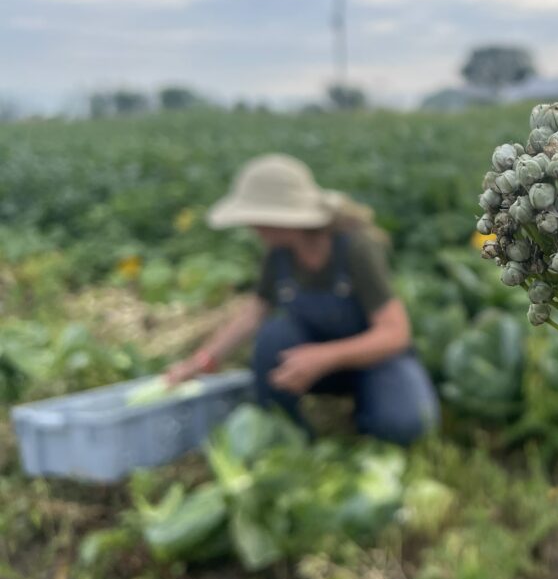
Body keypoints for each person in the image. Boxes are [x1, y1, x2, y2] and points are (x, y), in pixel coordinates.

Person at [166, 153, 439, 445]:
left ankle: (370, 411)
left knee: (407, 423)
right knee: (272, 338)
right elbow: (253, 314)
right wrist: (203, 361)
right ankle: (288, 436)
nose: (250, 225)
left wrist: (326, 356)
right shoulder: (279, 254)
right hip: (313, 364)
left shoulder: (356, 248)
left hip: (373, 361)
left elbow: (395, 333)